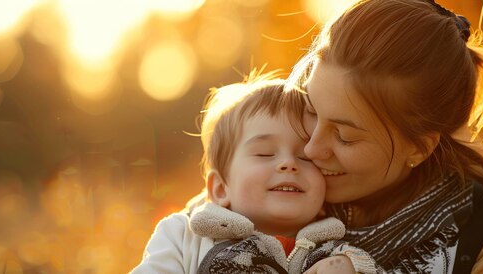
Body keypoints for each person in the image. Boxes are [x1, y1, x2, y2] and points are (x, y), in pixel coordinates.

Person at [284, 0, 483, 272]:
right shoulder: (273, 203)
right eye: (310, 110)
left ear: (419, 147)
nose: (312, 149)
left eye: (345, 136)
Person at [132, 76, 378, 273]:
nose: (288, 164)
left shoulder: (335, 251)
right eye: (264, 153)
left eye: (305, 157)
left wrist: (351, 267)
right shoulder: (184, 236)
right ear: (220, 188)